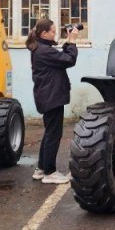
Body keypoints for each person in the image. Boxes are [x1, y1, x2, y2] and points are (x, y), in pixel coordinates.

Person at [27, 18, 80, 184]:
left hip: (47, 96)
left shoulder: (41, 48)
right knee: (53, 134)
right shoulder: (44, 51)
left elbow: (60, 57)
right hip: (52, 97)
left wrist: (66, 43)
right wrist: (72, 42)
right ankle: (50, 173)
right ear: (44, 33)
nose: (55, 34)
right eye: (53, 32)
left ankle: (41, 169)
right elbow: (68, 60)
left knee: (49, 133)